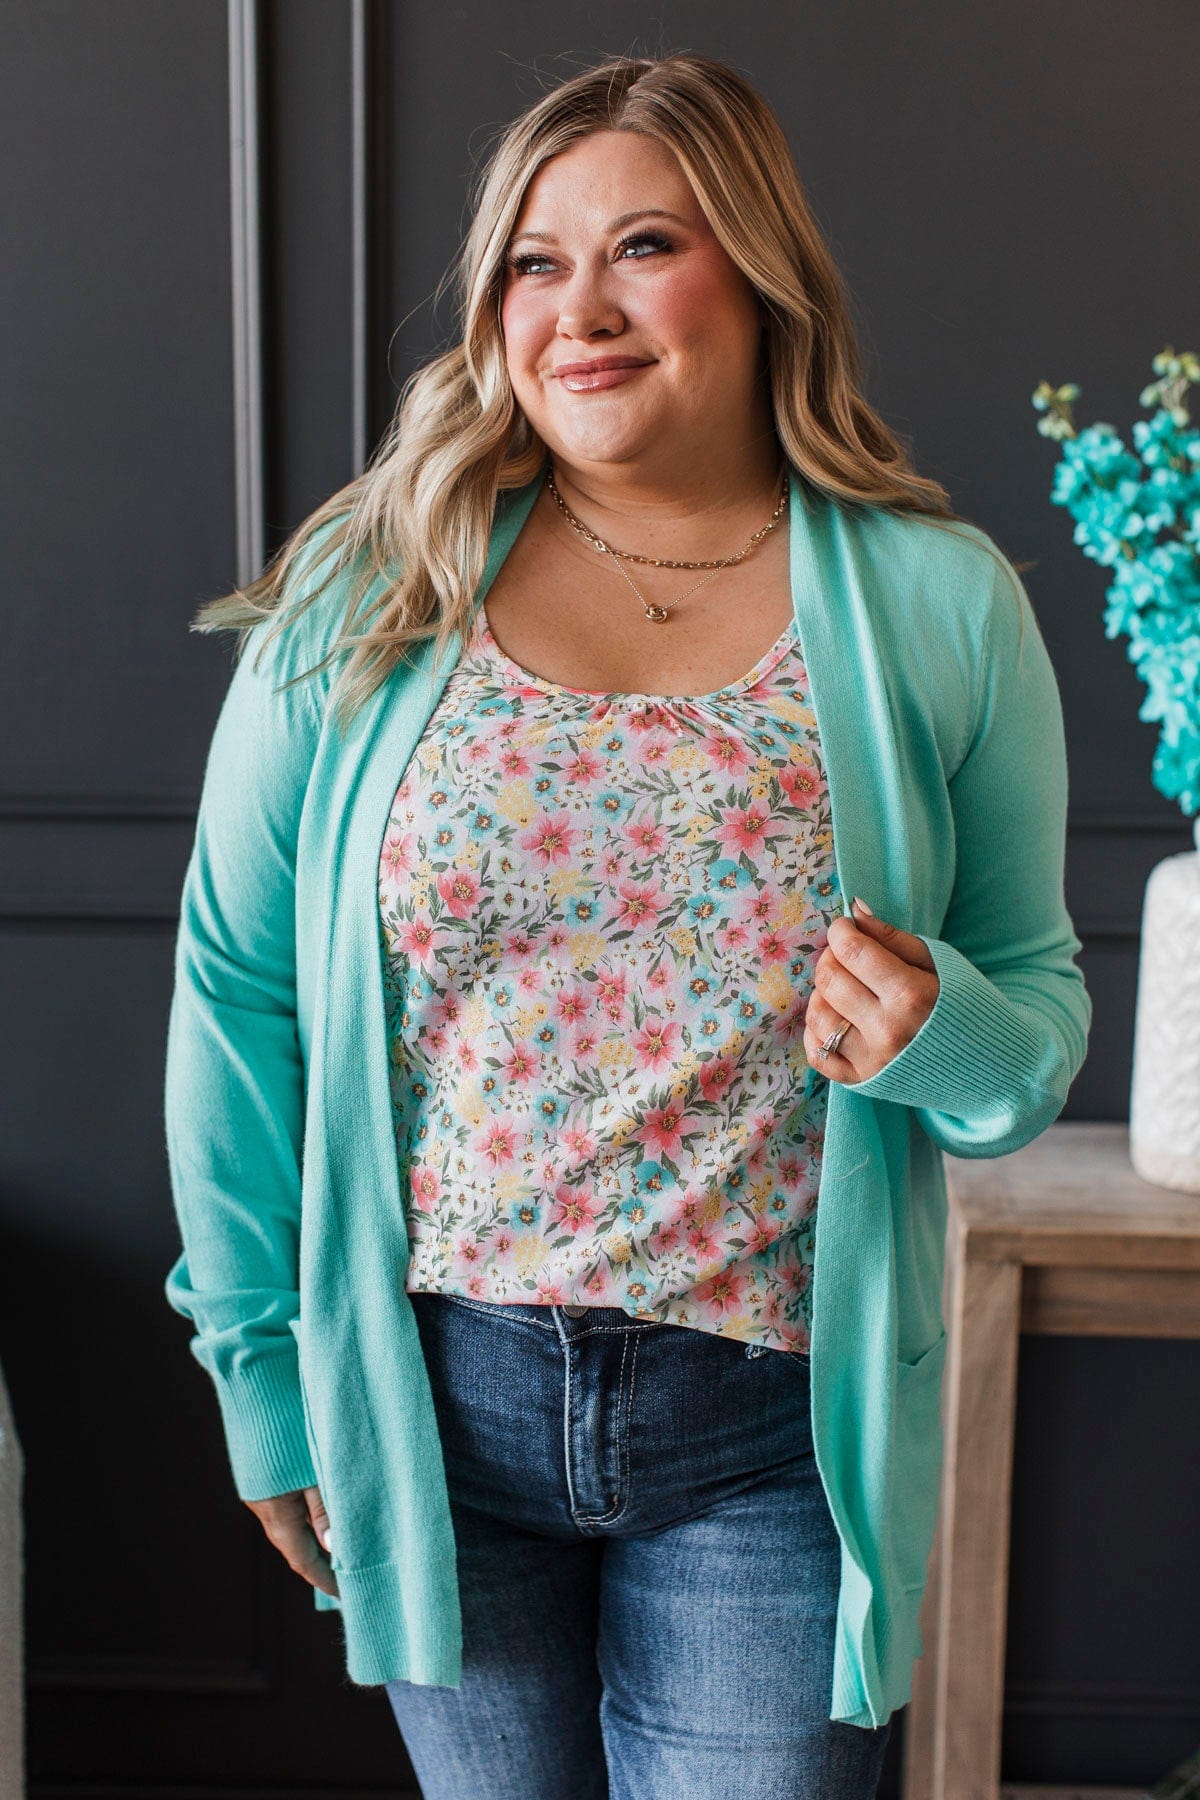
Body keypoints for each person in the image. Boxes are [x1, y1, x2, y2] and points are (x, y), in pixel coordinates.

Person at [163, 50, 1092, 1800]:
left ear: (760, 272)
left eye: (643, 245)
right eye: (535, 261)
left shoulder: (934, 603)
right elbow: (236, 993)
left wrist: (942, 1031)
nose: (577, 309)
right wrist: (262, 1376)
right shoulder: (377, 586)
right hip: (429, 1410)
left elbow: (1028, 1032)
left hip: (773, 1432)